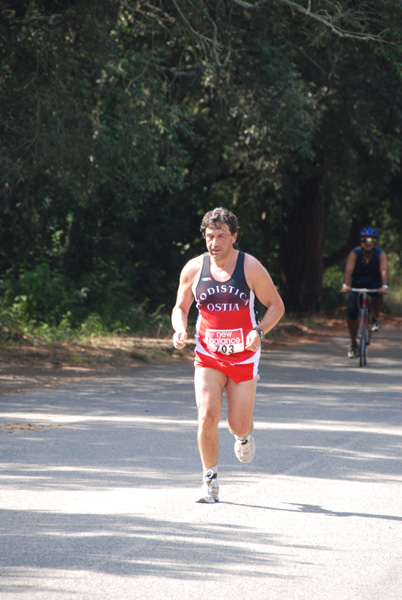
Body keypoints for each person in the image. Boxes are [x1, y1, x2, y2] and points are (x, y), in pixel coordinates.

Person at [171, 207, 285, 503]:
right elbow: (180, 308)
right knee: (207, 416)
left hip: (244, 355)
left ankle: (244, 435)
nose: (215, 242)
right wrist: (179, 329)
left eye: (222, 235)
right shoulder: (194, 269)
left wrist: (258, 331)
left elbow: (276, 305)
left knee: (237, 423)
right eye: (210, 236)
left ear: (234, 237)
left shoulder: (250, 267)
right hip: (207, 355)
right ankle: (210, 481)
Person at [341, 227, 389, 358]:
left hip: (374, 282)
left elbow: (383, 271)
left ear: (375, 242)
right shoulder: (355, 253)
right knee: (351, 313)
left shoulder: (380, 254)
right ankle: (353, 343)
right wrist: (346, 284)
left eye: (371, 240)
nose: (368, 243)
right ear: (361, 241)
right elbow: (348, 270)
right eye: (365, 240)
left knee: (378, 294)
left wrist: (384, 285)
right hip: (357, 284)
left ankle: (376, 318)